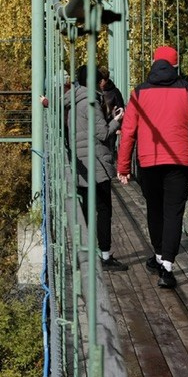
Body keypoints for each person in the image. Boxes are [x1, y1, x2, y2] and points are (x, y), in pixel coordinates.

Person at [117, 45, 188, 289]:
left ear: (154, 64)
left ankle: (158, 256)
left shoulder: (139, 93)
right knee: (173, 212)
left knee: (154, 209)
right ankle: (167, 267)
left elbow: (128, 132)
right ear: (176, 66)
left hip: (148, 162)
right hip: (179, 161)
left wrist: (123, 166)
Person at [74, 64, 127, 271]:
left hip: (81, 162)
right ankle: (104, 256)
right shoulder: (91, 102)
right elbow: (103, 133)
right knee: (104, 209)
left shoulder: (73, 100)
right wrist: (116, 120)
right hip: (95, 161)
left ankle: (85, 256)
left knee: (86, 209)